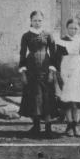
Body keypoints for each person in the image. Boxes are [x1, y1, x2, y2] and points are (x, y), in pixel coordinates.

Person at [18, 10, 58, 138]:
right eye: (35, 20)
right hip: (31, 70)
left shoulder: (48, 35)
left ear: (43, 21)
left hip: (46, 70)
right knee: (35, 98)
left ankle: (48, 128)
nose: (37, 23)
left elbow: (54, 54)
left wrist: (52, 71)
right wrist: (23, 72)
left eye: (39, 20)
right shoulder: (26, 36)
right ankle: (36, 127)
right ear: (30, 21)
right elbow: (22, 54)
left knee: (47, 98)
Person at [55, 19, 80, 137]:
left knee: (78, 98)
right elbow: (58, 59)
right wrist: (60, 74)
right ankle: (69, 125)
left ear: (79, 29)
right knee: (68, 99)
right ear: (66, 28)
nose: (73, 30)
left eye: (75, 28)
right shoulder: (61, 41)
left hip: (79, 69)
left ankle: (76, 125)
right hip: (66, 69)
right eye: (71, 28)